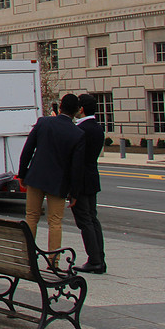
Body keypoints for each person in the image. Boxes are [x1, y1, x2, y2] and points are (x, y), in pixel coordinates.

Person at [18, 93, 85, 257]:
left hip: (36, 176)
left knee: (31, 217)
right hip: (59, 182)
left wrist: (22, 173)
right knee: (55, 222)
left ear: (60, 106)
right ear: (76, 111)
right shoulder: (78, 134)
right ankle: (53, 260)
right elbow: (77, 168)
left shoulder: (43, 123)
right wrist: (74, 192)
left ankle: (28, 255)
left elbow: (27, 150)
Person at [72, 94, 107, 273]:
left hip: (82, 180)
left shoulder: (81, 129)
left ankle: (94, 259)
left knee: (84, 220)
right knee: (92, 218)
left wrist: (73, 189)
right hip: (92, 176)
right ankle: (99, 257)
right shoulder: (98, 128)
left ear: (82, 109)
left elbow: (76, 159)